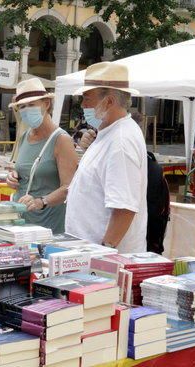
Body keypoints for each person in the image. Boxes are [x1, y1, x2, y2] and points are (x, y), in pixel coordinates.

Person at [65, 62, 147, 253]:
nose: (83, 105)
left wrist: (104, 252)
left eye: (87, 98)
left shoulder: (120, 141)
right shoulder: (110, 133)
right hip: (89, 255)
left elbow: (124, 208)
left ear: (109, 101)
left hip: (104, 261)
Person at [6, 78, 79, 234]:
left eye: (31, 105)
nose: (26, 110)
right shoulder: (25, 136)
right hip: (21, 220)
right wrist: (13, 177)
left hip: (48, 224)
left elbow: (69, 187)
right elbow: (25, 170)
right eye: (22, 107)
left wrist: (41, 201)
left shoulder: (61, 140)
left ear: (46, 104)